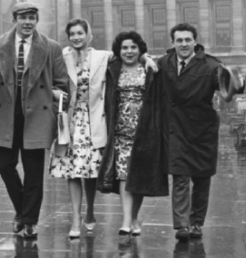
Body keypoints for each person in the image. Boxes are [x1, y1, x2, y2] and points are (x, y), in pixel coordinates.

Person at [49, 19, 158, 240]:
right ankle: (76, 218)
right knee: (72, 171)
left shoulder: (103, 56)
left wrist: (147, 57)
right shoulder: (63, 55)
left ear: (89, 35)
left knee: (90, 171)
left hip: (95, 120)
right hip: (71, 121)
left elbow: (129, 55)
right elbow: (51, 79)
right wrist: (54, 93)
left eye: (80, 33)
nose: (76, 37)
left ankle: (90, 209)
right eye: (72, 34)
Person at [0, 2, 69, 239]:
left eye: (32, 17)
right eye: (23, 17)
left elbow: (61, 83)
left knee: (34, 172)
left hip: (37, 115)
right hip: (5, 114)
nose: (28, 22)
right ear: (14, 19)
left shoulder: (51, 47)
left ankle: (30, 222)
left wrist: (54, 102)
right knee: (5, 166)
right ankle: (22, 211)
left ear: (36, 20)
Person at [157, 23, 244, 241]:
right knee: (180, 176)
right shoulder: (163, 63)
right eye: (179, 40)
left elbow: (225, 85)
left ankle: (196, 223)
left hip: (202, 130)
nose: (184, 44)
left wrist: (236, 82)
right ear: (173, 42)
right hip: (176, 128)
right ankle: (182, 225)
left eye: (188, 40)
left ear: (195, 42)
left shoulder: (211, 65)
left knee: (202, 179)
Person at [97, 31, 169, 238]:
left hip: (145, 130)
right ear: (119, 51)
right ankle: (127, 220)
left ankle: (133, 217)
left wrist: (147, 59)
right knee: (123, 176)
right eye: (125, 48)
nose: (129, 52)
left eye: (133, 48)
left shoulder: (151, 69)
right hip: (119, 131)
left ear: (140, 49)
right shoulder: (112, 68)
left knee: (137, 176)